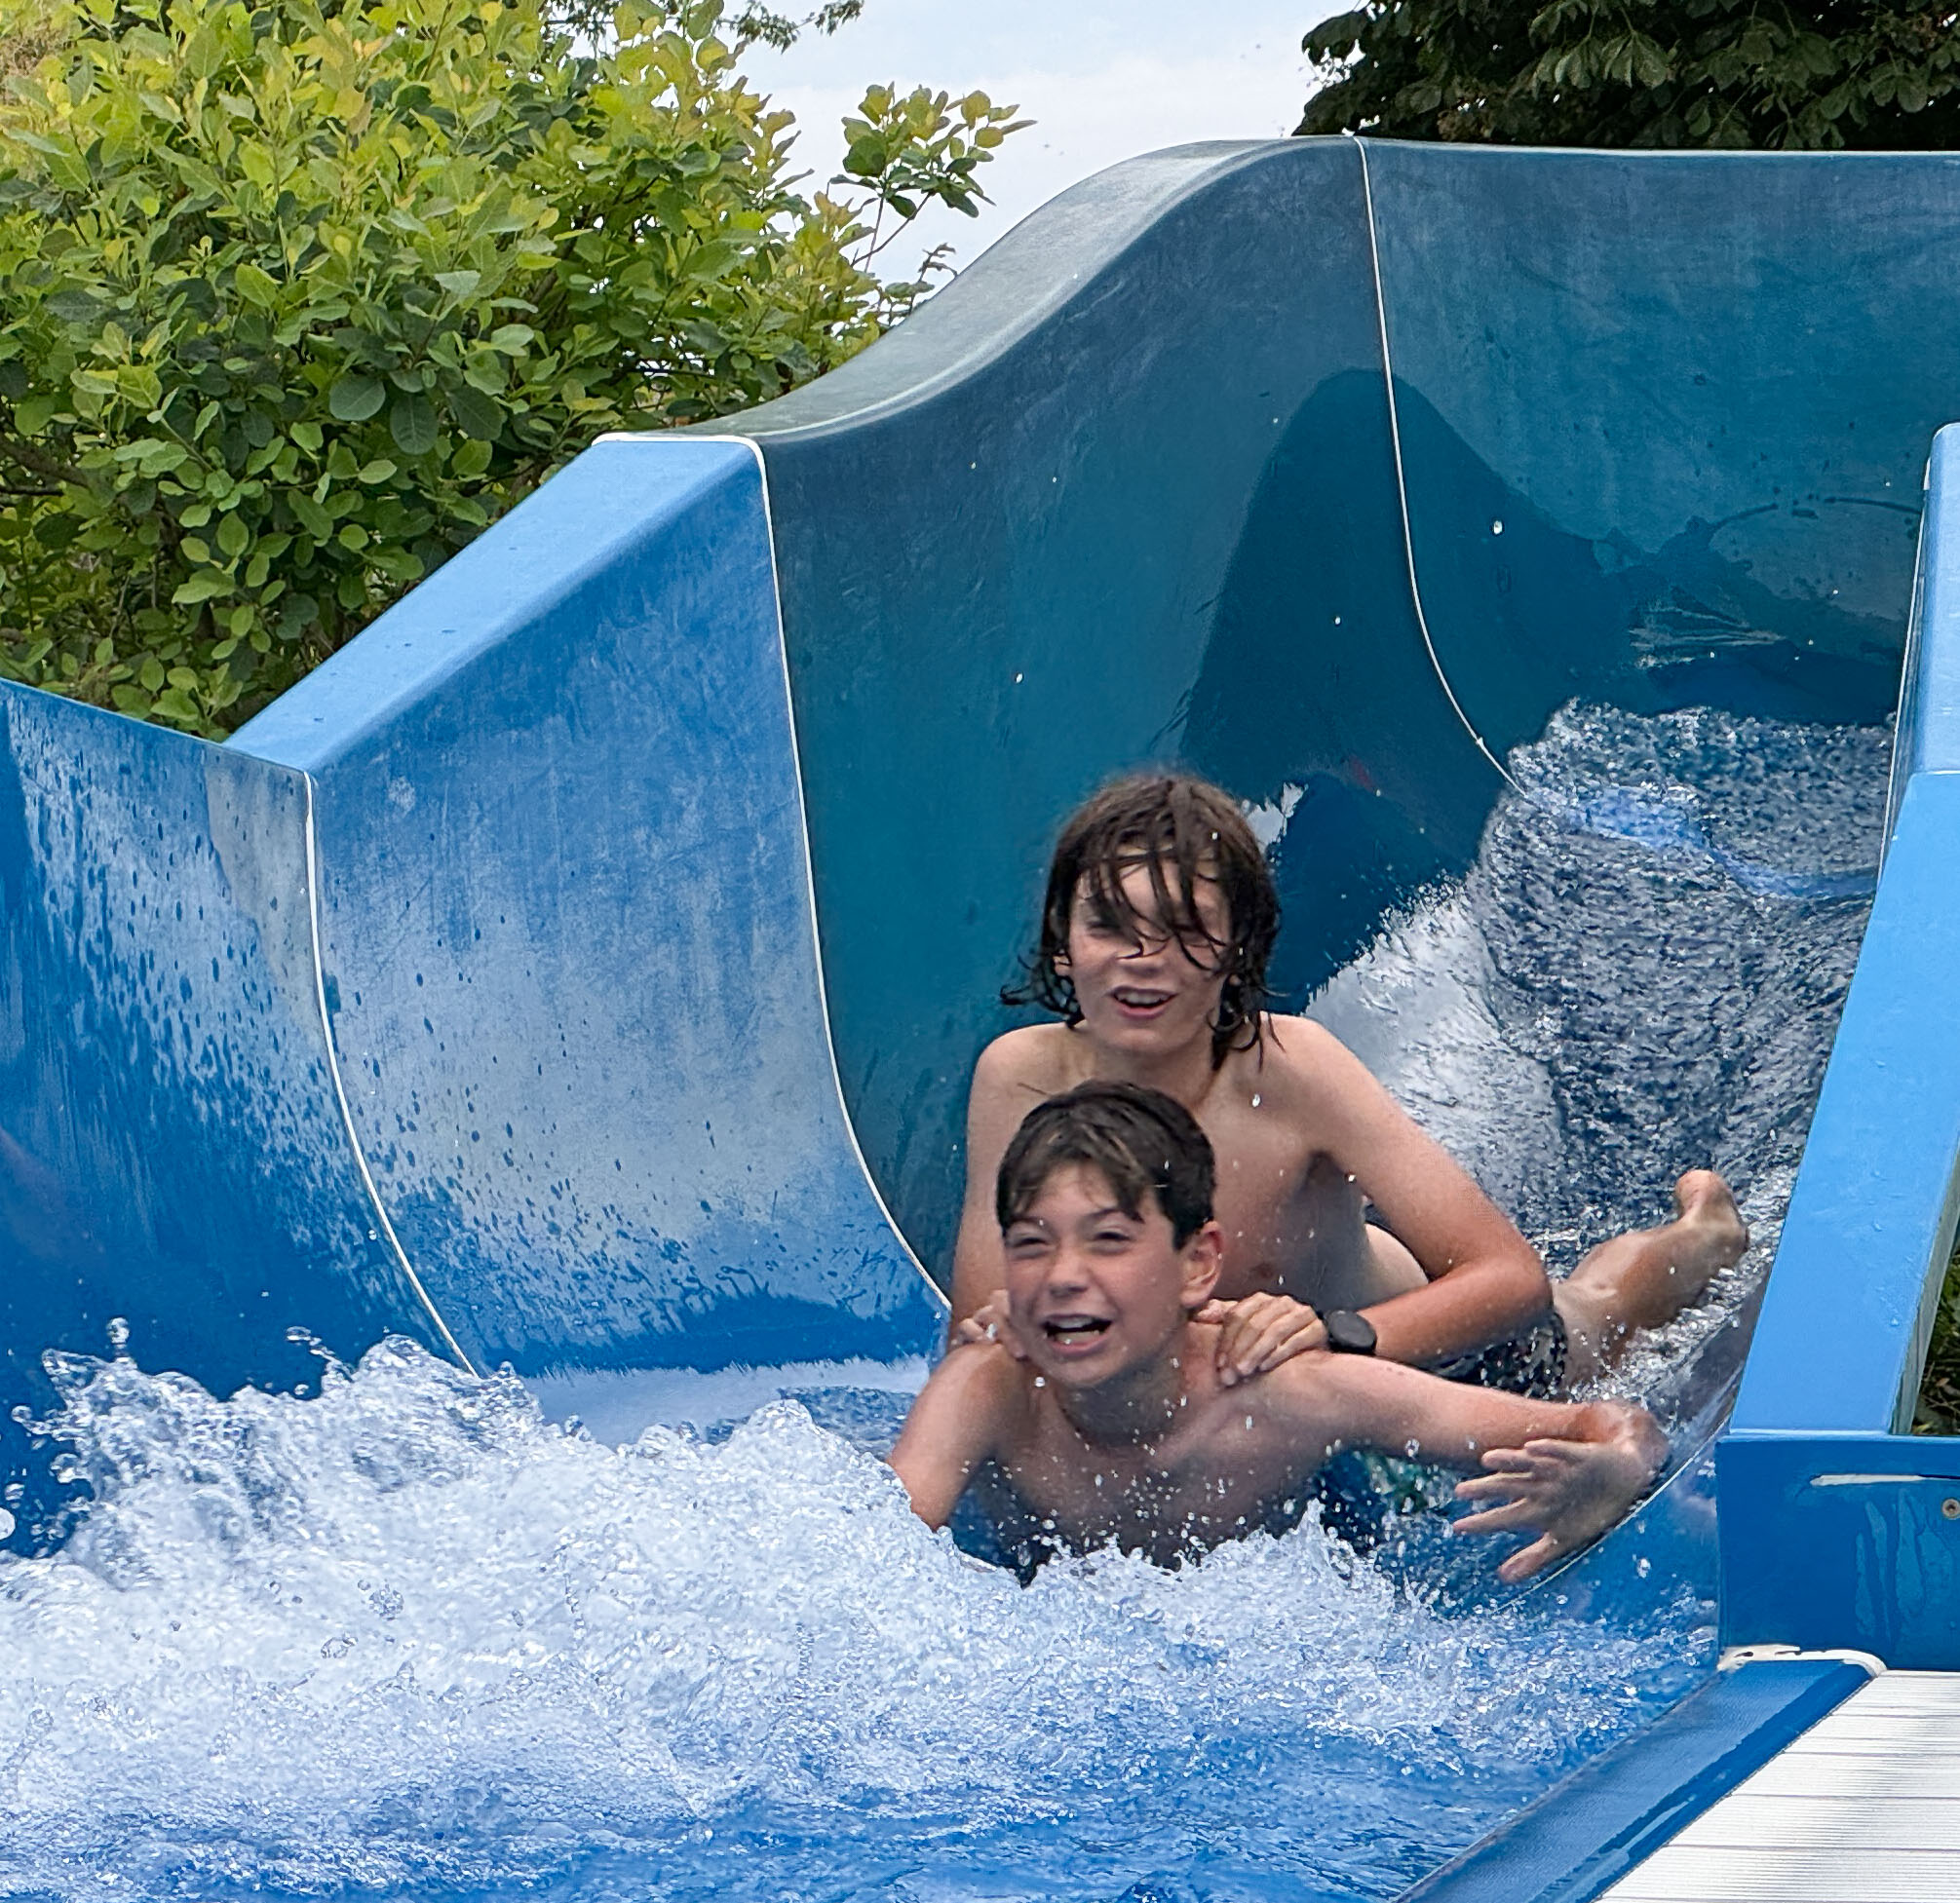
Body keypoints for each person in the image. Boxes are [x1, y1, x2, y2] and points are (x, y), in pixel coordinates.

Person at [950, 773, 1749, 1396]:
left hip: (1418, 1353)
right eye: (1109, 926)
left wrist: (1334, 1337)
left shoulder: (1290, 1070)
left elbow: (1508, 1279)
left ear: (1237, 951)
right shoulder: (1020, 1079)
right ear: (1061, 944)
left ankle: (1697, 1239)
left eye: (1184, 930)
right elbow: (982, 1328)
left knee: (1595, 1315)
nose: (1142, 961)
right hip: (1239, 1403)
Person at [894, 1082, 1667, 1579]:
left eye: (1108, 1241)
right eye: (1032, 1244)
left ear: (1198, 1265)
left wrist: (1613, 1468)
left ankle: (1679, 1247)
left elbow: (1606, 1425)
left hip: (1362, 1496)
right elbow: (873, 1550)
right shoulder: (990, 1386)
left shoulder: (1284, 1392)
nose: (1063, 1274)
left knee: (1587, 1321)